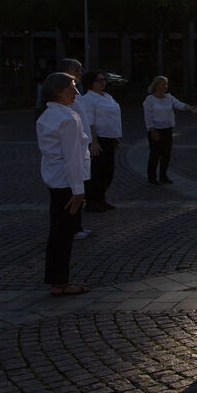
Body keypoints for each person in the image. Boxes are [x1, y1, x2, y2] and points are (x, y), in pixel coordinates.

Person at [37, 72, 91, 295]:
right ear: (58, 91)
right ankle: (60, 282)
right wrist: (78, 191)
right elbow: (72, 158)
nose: (76, 92)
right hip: (67, 183)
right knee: (64, 234)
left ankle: (57, 280)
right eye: (71, 87)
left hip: (56, 180)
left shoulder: (48, 115)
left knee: (58, 232)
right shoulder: (67, 118)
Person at [143, 76, 197, 185]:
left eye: (166, 84)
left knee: (166, 154)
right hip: (155, 130)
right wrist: (152, 129)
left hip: (167, 130)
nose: (165, 86)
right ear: (157, 85)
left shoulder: (169, 97)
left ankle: (163, 176)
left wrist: (190, 108)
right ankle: (152, 177)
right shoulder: (149, 100)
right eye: (163, 84)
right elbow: (148, 116)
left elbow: (178, 104)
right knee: (155, 154)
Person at [78, 70, 122, 213]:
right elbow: (89, 121)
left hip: (109, 137)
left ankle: (101, 198)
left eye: (104, 80)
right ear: (91, 83)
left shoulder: (107, 96)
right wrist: (94, 141)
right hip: (98, 138)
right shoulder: (88, 99)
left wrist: (115, 136)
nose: (102, 83)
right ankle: (92, 201)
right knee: (97, 171)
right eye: (99, 80)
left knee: (108, 171)